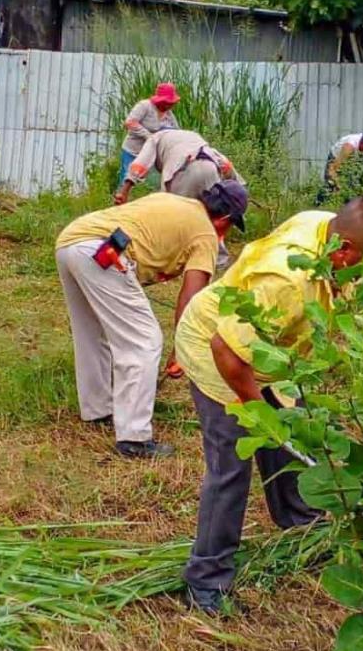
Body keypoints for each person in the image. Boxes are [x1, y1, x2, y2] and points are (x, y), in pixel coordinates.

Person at [174, 194, 363, 613]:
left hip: (268, 352)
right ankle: (206, 580)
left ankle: (299, 525)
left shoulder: (325, 228)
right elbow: (226, 350)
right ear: (346, 251)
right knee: (232, 463)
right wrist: (260, 415)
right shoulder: (287, 281)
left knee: (290, 433)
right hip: (217, 348)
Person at [56, 180, 249, 459]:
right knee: (144, 342)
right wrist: (181, 351)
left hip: (72, 240)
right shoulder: (206, 234)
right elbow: (191, 297)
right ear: (225, 219)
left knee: (92, 333)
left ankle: (99, 410)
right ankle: (134, 438)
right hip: (104, 252)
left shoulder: (173, 199)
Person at [114, 129, 242, 205]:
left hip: (183, 170)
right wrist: (240, 189)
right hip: (211, 168)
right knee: (207, 221)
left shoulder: (155, 138)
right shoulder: (192, 136)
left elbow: (140, 165)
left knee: (172, 219)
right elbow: (223, 162)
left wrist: (124, 192)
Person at [119, 83, 181, 185]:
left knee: (149, 184)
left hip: (152, 156)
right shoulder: (145, 106)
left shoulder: (169, 115)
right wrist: (150, 137)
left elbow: (177, 132)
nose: (169, 105)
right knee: (127, 181)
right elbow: (130, 122)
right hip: (133, 152)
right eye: (167, 102)